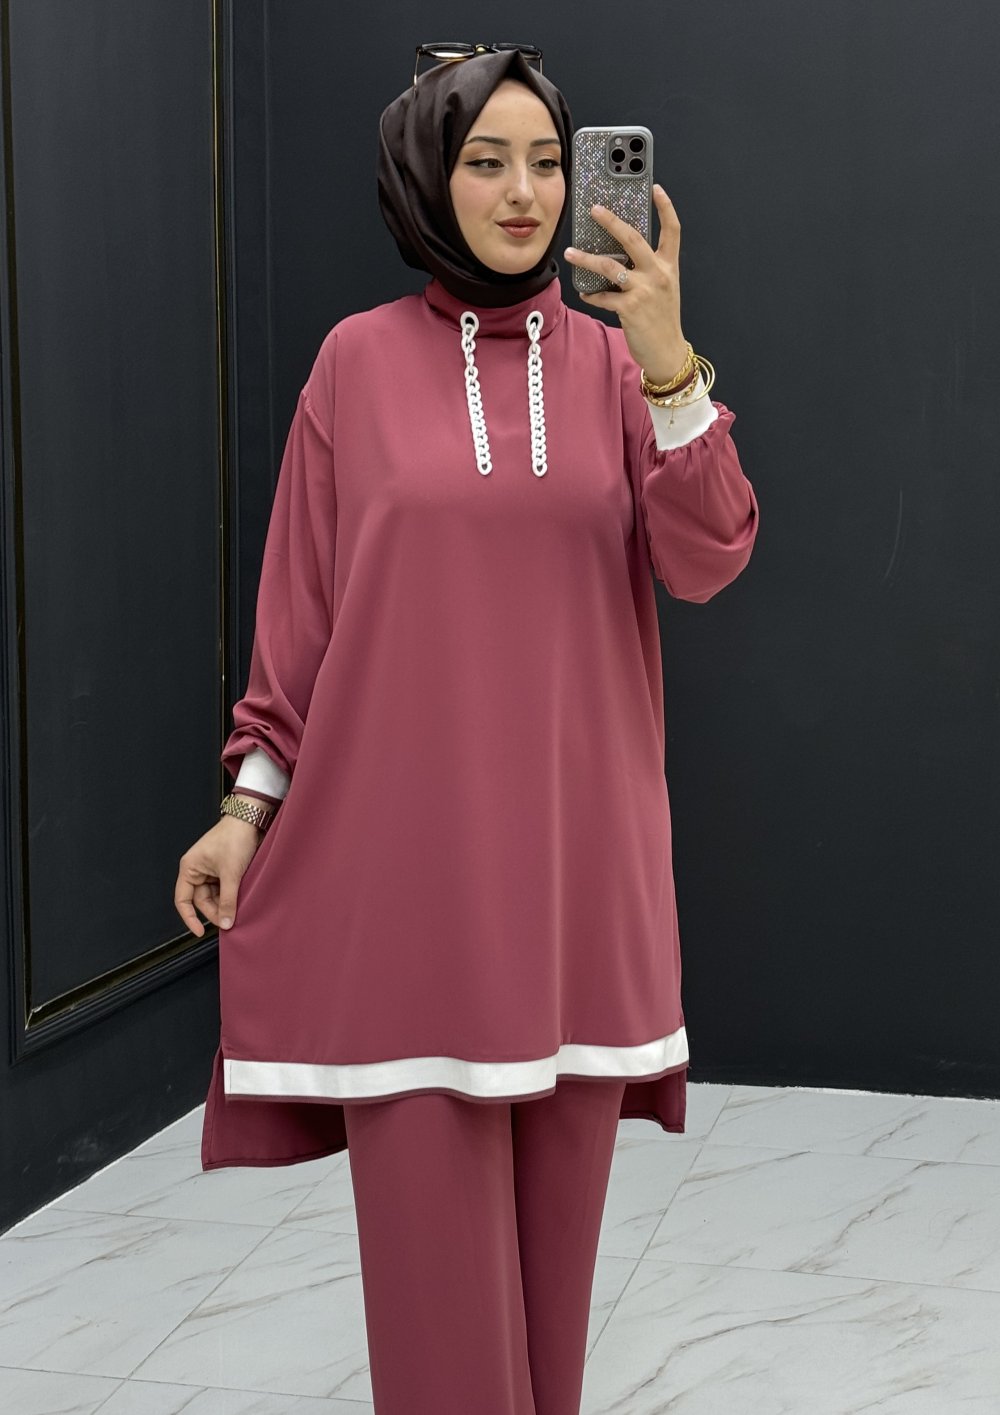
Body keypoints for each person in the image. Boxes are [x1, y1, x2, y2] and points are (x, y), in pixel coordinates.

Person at [174, 42, 759, 1415]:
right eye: (486, 161)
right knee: (444, 1324)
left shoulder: (618, 369)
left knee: (554, 1322)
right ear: (427, 178)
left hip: (577, 891)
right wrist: (247, 809)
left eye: (547, 162)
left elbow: (711, 557)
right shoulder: (354, 365)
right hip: (409, 896)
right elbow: (301, 620)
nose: (525, 192)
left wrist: (670, 362)